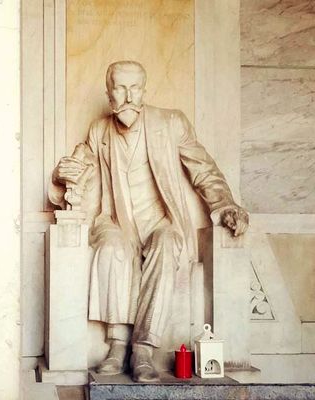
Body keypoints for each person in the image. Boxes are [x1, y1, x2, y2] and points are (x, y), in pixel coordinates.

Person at [49, 60, 248, 382]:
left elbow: (203, 170)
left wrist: (225, 206)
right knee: (112, 248)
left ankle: (143, 347)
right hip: (115, 220)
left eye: (135, 88)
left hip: (160, 219)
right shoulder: (99, 130)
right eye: (120, 88)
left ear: (144, 89)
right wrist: (64, 173)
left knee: (167, 245)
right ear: (108, 91)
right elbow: (77, 166)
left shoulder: (171, 123)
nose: (128, 96)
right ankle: (118, 344)